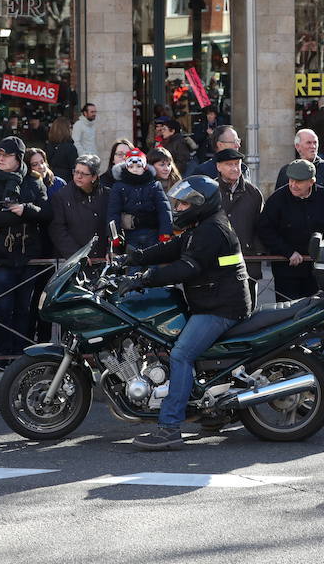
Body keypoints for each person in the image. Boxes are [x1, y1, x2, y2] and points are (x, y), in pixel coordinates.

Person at [120, 176, 252, 450]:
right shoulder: (202, 225)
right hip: (213, 301)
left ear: (199, 204)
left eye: (182, 203)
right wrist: (137, 257)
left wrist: (145, 278)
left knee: (181, 354)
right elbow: (175, 247)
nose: (178, 208)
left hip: (221, 308)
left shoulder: (211, 230)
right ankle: (210, 412)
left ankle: (169, 428)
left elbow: (186, 267)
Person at [0, 137, 52, 369]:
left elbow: (46, 212)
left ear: (18, 158)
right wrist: (17, 214)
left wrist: (25, 209)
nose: (0, 158)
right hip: (2, 255)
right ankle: (1, 356)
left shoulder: (34, 181)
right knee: (3, 308)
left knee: (24, 308)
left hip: (28, 254)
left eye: (6, 155)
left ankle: (21, 358)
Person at [258, 159, 324, 300]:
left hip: (316, 269)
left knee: (315, 310)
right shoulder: (277, 199)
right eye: (291, 180)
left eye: (299, 182)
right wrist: (287, 252)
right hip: (286, 267)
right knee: (287, 312)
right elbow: (265, 229)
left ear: (311, 181)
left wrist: (322, 250)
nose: (293, 185)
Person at [214, 148, 264, 302]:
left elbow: (261, 225)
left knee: (249, 308)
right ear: (218, 167)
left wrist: (258, 252)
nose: (235, 168)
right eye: (229, 164)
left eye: (237, 164)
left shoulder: (253, 192)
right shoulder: (211, 191)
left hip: (247, 259)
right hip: (218, 261)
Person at [26, 148, 65, 344]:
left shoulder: (58, 184)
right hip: (33, 244)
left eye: (42, 161)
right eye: (35, 164)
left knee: (48, 297)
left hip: (55, 245)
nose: (41, 166)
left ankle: (47, 340)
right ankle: (28, 342)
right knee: (31, 299)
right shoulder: (26, 184)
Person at [108, 148, 173, 251]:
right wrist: (114, 235)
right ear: (126, 167)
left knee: (153, 262)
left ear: (144, 167)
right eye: (131, 166)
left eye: (138, 166)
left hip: (152, 232)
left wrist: (165, 232)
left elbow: (164, 209)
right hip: (130, 234)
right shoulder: (119, 187)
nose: (135, 169)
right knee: (133, 263)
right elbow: (113, 212)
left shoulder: (154, 185)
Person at [49, 155, 110, 258]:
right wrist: (76, 254)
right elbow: (58, 230)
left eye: (84, 174)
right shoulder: (62, 196)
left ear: (94, 177)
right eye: (76, 172)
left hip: (102, 257)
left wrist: (111, 249)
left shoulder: (107, 195)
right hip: (75, 258)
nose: (78, 176)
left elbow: (112, 225)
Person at [275, 129, 324, 195]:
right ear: (297, 146)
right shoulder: (287, 170)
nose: (313, 146)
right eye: (308, 143)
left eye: (315, 142)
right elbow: (278, 200)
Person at [45, 116, 79, 184]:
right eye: (70, 127)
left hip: (50, 180)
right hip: (66, 182)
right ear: (66, 130)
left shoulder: (48, 146)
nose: (72, 130)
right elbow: (75, 168)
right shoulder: (70, 148)